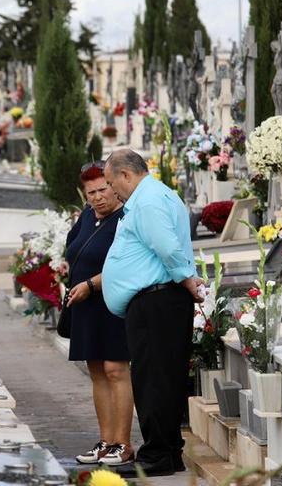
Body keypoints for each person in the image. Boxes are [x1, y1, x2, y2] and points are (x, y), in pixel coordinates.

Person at [101, 148, 202, 477]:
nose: (111, 190)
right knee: (166, 378)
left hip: (156, 302)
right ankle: (170, 451)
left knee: (153, 380)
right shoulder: (158, 194)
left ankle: (157, 454)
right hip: (160, 301)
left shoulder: (146, 200)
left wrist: (188, 280)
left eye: (111, 182)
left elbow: (166, 246)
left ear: (126, 175)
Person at [65, 162, 134, 466]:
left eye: (102, 189)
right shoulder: (86, 217)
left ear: (113, 185)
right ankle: (105, 441)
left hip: (111, 301)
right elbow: (73, 249)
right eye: (90, 192)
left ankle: (123, 443)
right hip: (85, 306)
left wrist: (90, 285)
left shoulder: (127, 218)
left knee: (115, 369)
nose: (97, 197)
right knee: (96, 372)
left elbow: (127, 263)